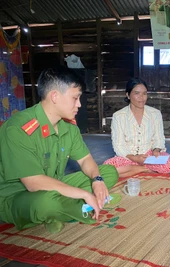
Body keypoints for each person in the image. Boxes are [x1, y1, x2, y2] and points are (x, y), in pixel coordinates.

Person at [0, 67, 119, 233]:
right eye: (75, 98)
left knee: (109, 172)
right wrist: (83, 194)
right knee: (46, 203)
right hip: (18, 196)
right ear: (55, 96)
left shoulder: (68, 127)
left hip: (54, 184)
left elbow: (85, 160)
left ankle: (62, 210)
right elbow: (33, 183)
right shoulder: (17, 128)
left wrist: (97, 180)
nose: (79, 104)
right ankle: (72, 208)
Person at [104, 78, 170, 177]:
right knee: (107, 169)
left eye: (144, 93)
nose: (141, 97)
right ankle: (143, 169)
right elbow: (118, 145)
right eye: (137, 93)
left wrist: (156, 150)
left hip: (149, 155)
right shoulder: (118, 116)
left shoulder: (155, 114)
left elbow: (159, 138)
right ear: (128, 95)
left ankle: (134, 170)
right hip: (128, 157)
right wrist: (135, 158)